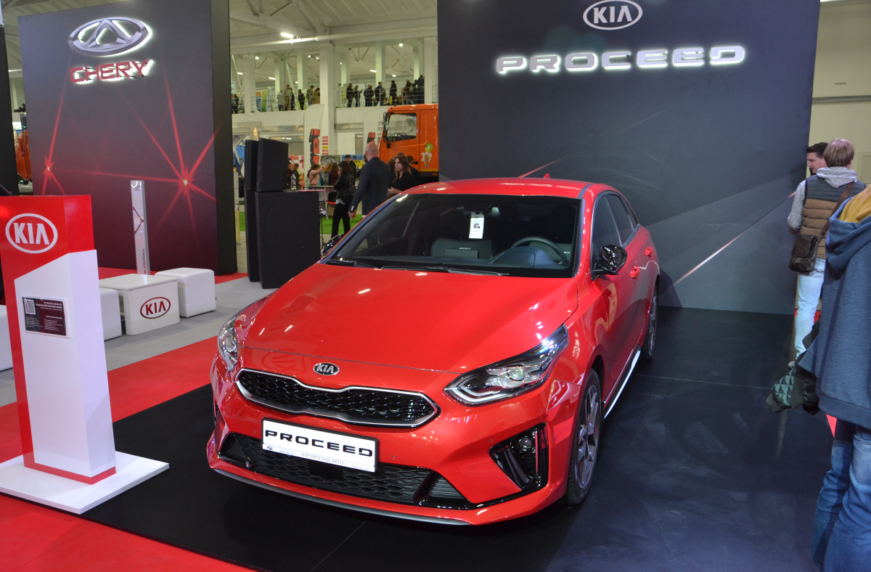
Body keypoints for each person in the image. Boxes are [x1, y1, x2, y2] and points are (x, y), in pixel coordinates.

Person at [801, 180, 871, 571]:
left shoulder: (857, 207)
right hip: (864, 381)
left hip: (846, 373)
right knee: (864, 503)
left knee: (840, 479)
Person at [788, 139, 865, 358]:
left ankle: (802, 358)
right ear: (850, 160)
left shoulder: (807, 185)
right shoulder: (862, 190)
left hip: (811, 257)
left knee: (806, 306)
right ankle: (829, 359)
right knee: (838, 310)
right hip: (843, 259)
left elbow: (794, 223)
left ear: (827, 159)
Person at [350, 142, 391, 218]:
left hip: (370, 208)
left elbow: (361, 188)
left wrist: (352, 208)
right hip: (384, 206)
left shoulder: (367, 167)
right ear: (377, 152)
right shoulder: (386, 167)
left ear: (366, 153)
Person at [331, 161, 355, 237]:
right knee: (346, 222)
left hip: (341, 200)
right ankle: (347, 239)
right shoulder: (351, 176)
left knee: (335, 222)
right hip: (348, 201)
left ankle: (333, 238)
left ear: (342, 168)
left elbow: (336, 187)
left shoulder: (342, 176)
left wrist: (339, 176)